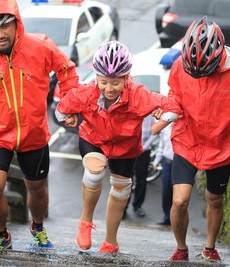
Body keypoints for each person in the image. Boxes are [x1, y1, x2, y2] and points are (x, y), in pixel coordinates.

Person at [0, 0, 79, 251]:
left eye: (5, 26)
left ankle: (38, 226)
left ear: (17, 22)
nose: (0, 34)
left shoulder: (41, 46)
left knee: (36, 188)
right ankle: (1, 235)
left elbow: (68, 72)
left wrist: (70, 105)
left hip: (34, 133)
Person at [151, 16, 230, 262]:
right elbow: (175, 93)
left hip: (222, 145)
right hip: (188, 139)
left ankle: (209, 247)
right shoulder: (180, 65)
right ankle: (181, 248)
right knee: (180, 200)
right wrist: (167, 113)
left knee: (214, 199)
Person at [55, 41, 179, 253]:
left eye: (115, 83)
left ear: (126, 78)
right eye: (103, 82)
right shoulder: (86, 93)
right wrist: (68, 118)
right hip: (93, 139)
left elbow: (173, 108)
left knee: (121, 191)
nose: (109, 89)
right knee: (95, 171)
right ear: (96, 77)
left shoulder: (139, 95)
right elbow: (60, 109)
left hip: (125, 148)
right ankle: (85, 222)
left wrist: (160, 121)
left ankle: (110, 242)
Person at [124, 114, 157, 219]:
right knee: (126, 179)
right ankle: (123, 207)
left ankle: (138, 205)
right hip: (130, 149)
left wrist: (144, 147)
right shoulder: (131, 113)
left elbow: (154, 132)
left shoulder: (151, 116)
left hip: (144, 151)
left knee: (141, 180)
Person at [152, 122, 174, 226]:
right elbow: (162, 145)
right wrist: (156, 160)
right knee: (166, 190)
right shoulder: (166, 127)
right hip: (167, 162)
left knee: (176, 192)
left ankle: (175, 218)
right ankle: (166, 216)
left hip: (179, 164)